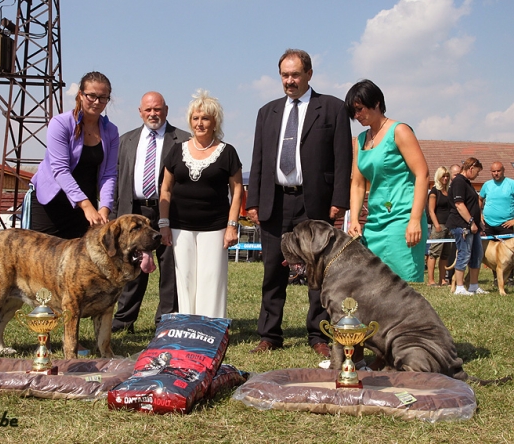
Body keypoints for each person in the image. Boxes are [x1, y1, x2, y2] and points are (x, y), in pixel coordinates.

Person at [246, 49, 352, 356]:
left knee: (318, 272)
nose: (289, 81)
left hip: (314, 202)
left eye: (295, 75)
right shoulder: (267, 112)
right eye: (284, 75)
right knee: (271, 271)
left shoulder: (332, 108)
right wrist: (253, 200)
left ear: (309, 74)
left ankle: (318, 335)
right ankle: (269, 334)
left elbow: (343, 158)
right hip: (274, 201)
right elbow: (259, 158)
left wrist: (339, 200)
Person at [111, 92, 190, 333]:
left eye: (157, 109)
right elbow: (115, 180)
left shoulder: (183, 140)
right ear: (140, 112)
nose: (153, 114)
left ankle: (165, 323)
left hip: (169, 211)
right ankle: (124, 321)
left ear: (166, 110)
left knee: (170, 271)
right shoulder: (126, 140)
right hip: (134, 212)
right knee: (132, 269)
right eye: (148, 110)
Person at [159, 89, 242, 319]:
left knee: (211, 279)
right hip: (179, 227)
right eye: (195, 118)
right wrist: (163, 223)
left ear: (215, 122)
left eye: (205, 118)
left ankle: (211, 326)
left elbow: (237, 191)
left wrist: (232, 225)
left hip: (215, 227)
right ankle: (188, 324)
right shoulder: (176, 151)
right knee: (184, 278)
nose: (200, 123)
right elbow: (165, 188)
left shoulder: (228, 152)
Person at [346, 79, 429, 282]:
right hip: (375, 222)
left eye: (359, 109)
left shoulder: (400, 131)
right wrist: (355, 219)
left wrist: (415, 220)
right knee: (373, 285)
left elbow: (422, 174)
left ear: (376, 103)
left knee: (404, 287)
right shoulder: (361, 140)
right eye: (353, 113)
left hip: (403, 219)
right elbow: (357, 184)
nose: (356, 116)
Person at [30, 71, 119, 239]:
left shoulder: (111, 131)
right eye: (91, 96)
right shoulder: (60, 124)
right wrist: (86, 205)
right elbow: (60, 170)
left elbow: (109, 174)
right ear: (80, 95)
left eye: (103, 97)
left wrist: (105, 207)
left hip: (85, 209)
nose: (97, 102)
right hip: (52, 204)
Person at [445, 157, 487, 295]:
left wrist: (478, 222)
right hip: (462, 225)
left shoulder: (467, 183)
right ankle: (460, 287)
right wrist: (471, 222)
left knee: (477, 255)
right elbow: (459, 204)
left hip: (473, 226)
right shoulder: (458, 182)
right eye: (477, 171)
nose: (477, 175)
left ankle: (474, 286)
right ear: (471, 168)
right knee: (464, 254)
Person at [479, 161, 514, 285]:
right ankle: (496, 278)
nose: (496, 173)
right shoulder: (487, 185)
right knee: (491, 254)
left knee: (509, 254)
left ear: (503, 170)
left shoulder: (511, 184)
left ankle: (509, 278)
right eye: (493, 171)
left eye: (498, 171)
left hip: (507, 224)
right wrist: (480, 213)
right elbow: (480, 198)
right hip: (489, 224)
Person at [427, 166, 452, 286]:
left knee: (445, 254)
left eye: (447, 176)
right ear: (439, 177)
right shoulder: (434, 191)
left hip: (449, 227)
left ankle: (442, 279)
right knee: (434, 253)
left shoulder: (449, 191)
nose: (446, 178)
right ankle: (431, 280)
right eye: (443, 176)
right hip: (439, 226)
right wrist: (436, 225)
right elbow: (431, 210)